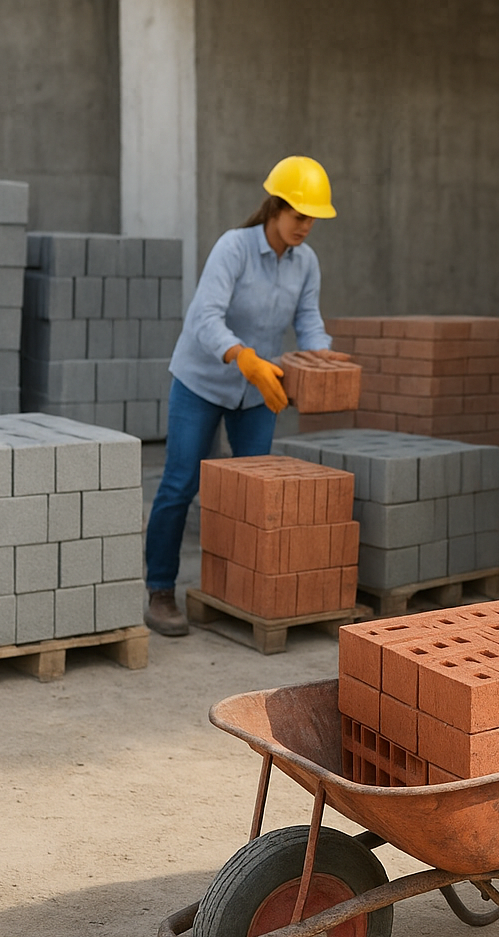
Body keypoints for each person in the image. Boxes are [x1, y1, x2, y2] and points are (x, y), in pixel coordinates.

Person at [143, 156, 353, 636]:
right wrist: (244, 357)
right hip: (203, 381)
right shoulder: (233, 249)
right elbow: (204, 318)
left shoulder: (306, 262)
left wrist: (322, 359)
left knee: (256, 495)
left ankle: (237, 590)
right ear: (275, 209)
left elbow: (307, 321)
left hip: (258, 391)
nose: (307, 226)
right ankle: (159, 590)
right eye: (299, 216)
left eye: (313, 217)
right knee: (180, 483)